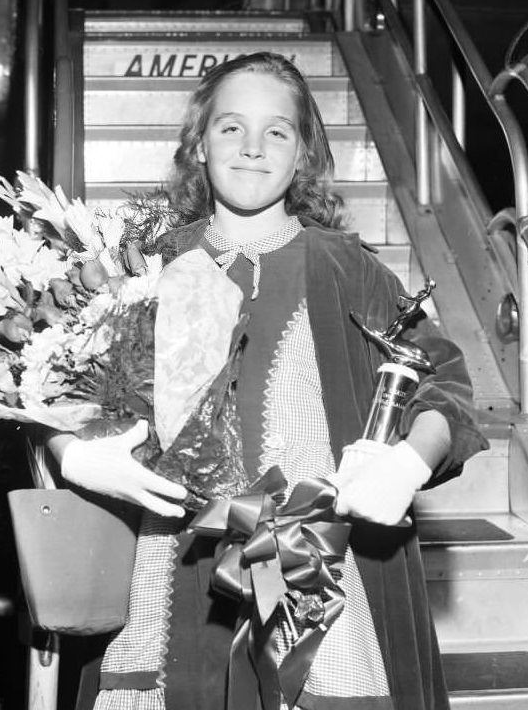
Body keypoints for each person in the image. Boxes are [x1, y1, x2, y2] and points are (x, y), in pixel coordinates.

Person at [47, 52, 488, 710]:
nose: (251, 148)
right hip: (172, 570)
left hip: (320, 574)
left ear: (303, 152)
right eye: (230, 127)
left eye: (276, 131)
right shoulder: (145, 266)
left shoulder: (346, 269)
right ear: (198, 144)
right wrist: (71, 451)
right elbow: (49, 374)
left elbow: (441, 378)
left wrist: (407, 460)